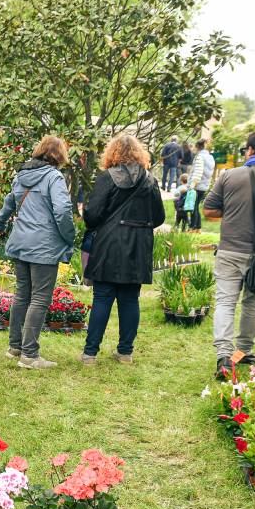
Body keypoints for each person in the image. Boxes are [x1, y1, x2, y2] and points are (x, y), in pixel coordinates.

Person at [203, 129, 255, 378]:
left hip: (230, 250)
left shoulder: (229, 176)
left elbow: (209, 211)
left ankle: (223, 357)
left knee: (225, 302)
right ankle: (243, 351)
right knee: (253, 305)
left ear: (250, 150)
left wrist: (232, 212)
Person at [80, 135, 165, 365]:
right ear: (140, 154)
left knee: (102, 298)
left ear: (112, 153)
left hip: (109, 244)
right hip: (138, 246)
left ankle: (90, 353)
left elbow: (93, 215)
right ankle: (125, 352)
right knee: (130, 299)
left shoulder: (107, 178)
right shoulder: (150, 180)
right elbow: (159, 217)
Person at [0, 135, 75, 370]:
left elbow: (9, 203)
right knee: (39, 298)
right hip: (43, 246)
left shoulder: (21, 175)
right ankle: (30, 355)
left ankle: (15, 346)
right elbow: (62, 210)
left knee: (22, 295)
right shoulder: (54, 177)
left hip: (20, 242)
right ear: (59, 155)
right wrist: (69, 237)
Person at [186, 138, 215, 232]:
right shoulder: (210, 157)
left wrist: (192, 186)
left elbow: (198, 171)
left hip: (196, 185)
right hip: (204, 185)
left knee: (193, 207)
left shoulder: (200, 157)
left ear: (197, 147)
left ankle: (193, 228)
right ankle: (198, 228)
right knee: (196, 206)